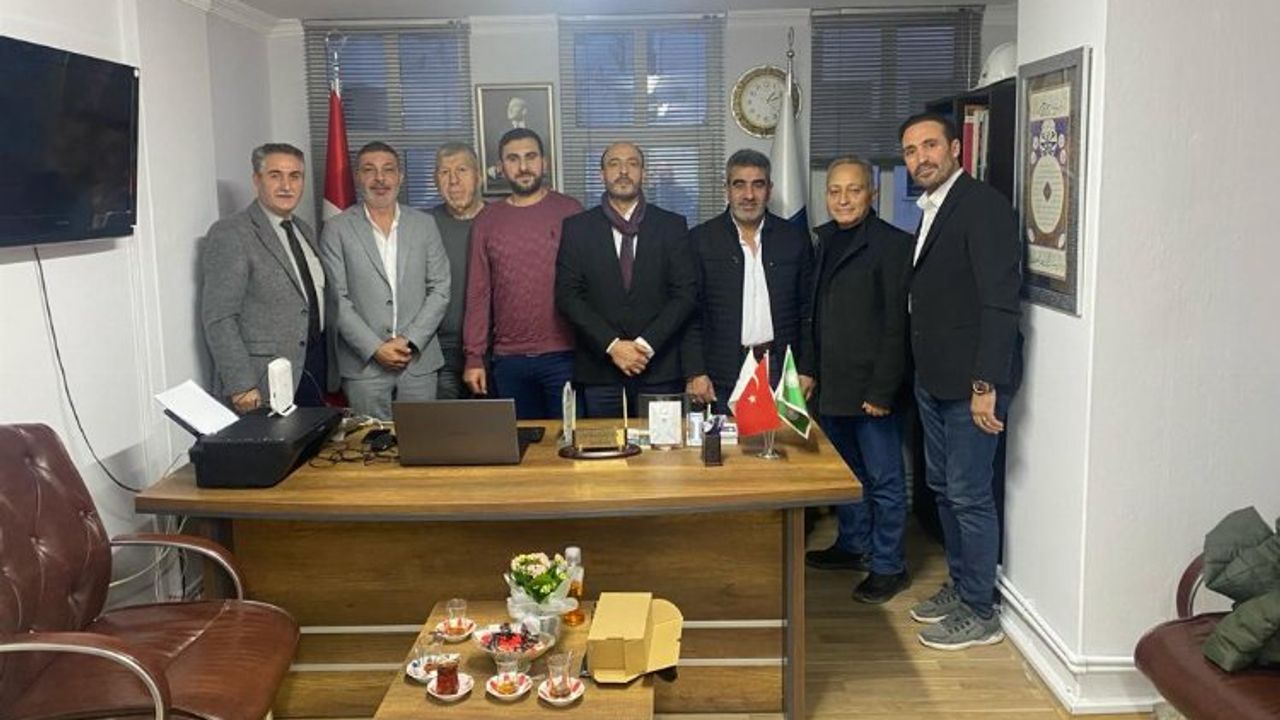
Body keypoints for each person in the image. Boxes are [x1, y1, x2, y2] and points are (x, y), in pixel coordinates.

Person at [900, 112, 1022, 650]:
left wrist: (985, 384)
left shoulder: (982, 207)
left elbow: (999, 303)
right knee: (944, 490)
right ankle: (962, 585)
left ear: (955, 148)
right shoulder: (932, 207)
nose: (920, 158)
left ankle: (980, 610)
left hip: (972, 384)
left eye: (930, 145)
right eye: (910, 151)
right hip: (935, 377)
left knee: (971, 496)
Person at [803, 157, 914, 604]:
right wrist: (810, 371)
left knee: (885, 481)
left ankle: (888, 566)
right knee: (848, 476)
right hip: (833, 386)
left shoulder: (893, 244)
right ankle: (853, 545)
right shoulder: (824, 241)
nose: (843, 199)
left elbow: (897, 325)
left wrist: (882, 390)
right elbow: (815, 315)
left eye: (853, 190)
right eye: (835, 191)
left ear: (873, 193)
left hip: (872, 391)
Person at [555, 142, 696, 417]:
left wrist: (644, 347)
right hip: (600, 370)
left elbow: (685, 294)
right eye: (614, 164)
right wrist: (613, 346)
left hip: (659, 368)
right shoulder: (577, 228)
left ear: (644, 173)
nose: (623, 171)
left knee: (663, 445)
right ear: (601, 175)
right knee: (606, 445)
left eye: (632, 164)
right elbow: (567, 296)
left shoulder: (671, 225)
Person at [319, 141, 450, 420]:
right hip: (364, 367)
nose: (380, 178)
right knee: (369, 444)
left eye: (388, 170)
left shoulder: (424, 224)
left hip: (417, 362)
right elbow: (336, 299)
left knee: (422, 441)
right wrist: (375, 348)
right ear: (357, 176)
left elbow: (440, 289)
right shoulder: (336, 229)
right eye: (370, 170)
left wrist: (409, 340)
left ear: (400, 177)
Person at [462, 128, 584, 419]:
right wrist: (473, 357)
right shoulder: (487, 221)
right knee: (520, 443)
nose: (523, 166)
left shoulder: (570, 211)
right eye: (513, 159)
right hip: (508, 360)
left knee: (570, 442)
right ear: (501, 167)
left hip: (565, 355)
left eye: (530, 157)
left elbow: (591, 284)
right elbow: (478, 294)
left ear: (544, 162)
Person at [682, 149, 815, 414]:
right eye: (739, 185)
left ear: (770, 189)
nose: (749, 195)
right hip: (721, 373)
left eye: (758, 185)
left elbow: (808, 311)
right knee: (726, 442)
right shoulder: (701, 240)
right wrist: (695, 371)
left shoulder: (794, 238)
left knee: (783, 441)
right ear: (727, 190)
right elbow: (689, 314)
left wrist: (807, 368)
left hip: (781, 369)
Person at [201, 142, 330, 412]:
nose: (286, 186)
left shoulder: (303, 230)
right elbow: (219, 318)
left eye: (295, 176)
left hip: (311, 369)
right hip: (261, 379)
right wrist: (241, 384)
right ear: (256, 180)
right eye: (275, 175)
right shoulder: (231, 233)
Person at [429, 142, 486, 399]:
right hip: (439, 350)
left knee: (497, 421)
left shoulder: (500, 220)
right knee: (447, 422)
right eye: (444, 172)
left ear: (478, 176)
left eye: (462, 170)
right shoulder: (422, 225)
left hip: (493, 350)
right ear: (435, 181)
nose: (453, 181)